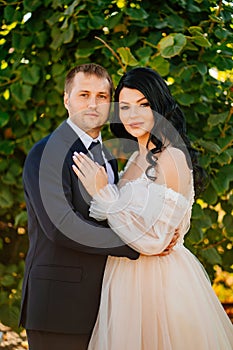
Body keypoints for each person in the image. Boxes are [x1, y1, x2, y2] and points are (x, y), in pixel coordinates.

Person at [72, 67, 233, 349]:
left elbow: (155, 238)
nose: (133, 115)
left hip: (159, 283)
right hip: (124, 279)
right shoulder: (135, 157)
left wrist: (103, 192)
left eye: (143, 105)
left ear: (158, 107)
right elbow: (120, 222)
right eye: (125, 107)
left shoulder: (171, 158)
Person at [19, 63, 177, 350]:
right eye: (83, 95)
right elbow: (60, 227)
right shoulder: (45, 153)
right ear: (66, 99)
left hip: (105, 302)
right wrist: (136, 245)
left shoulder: (109, 157)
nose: (92, 104)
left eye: (102, 97)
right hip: (59, 306)